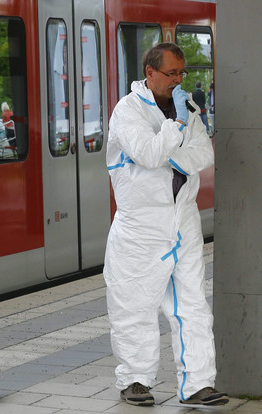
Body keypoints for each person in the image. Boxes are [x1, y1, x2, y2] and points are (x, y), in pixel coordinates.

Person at [104, 42, 227, 407]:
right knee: (135, 305)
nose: (178, 80)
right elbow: (148, 153)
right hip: (141, 225)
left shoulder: (187, 107)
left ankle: (197, 385)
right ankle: (134, 380)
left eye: (182, 73)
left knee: (193, 306)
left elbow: (204, 153)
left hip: (182, 218)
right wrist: (174, 129)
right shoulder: (126, 113)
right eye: (172, 73)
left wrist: (170, 152)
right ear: (150, 72)